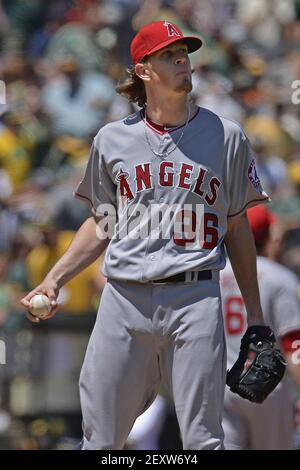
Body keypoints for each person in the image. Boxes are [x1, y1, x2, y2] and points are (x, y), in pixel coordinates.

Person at [21, 20, 270, 450]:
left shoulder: (226, 137)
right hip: (124, 298)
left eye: (184, 55)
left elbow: (237, 227)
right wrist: (54, 279)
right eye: (169, 56)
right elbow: (102, 221)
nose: (181, 63)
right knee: (101, 438)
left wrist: (256, 315)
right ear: (144, 71)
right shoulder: (112, 139)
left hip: (195, 296)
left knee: (203, 440)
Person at [221, 205, 300, 450]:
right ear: (265, 237)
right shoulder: (279, 277)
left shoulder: (214, 275)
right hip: (267, 388)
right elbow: (293, 343)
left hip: (221, 389)